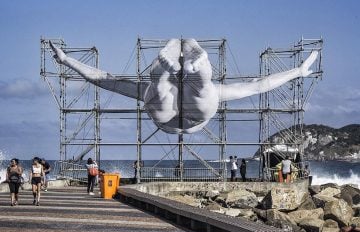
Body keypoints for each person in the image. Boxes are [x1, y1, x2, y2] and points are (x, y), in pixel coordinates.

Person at [50, 40, 318, 134]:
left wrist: (67, 61)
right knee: (204, 90)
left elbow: (101, 78)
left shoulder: (148, 88)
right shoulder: (213, 92)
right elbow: (259, 86)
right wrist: (298, 72)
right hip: (195, 118)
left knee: (157, 89)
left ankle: (169, 73)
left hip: (165, 119)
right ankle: (196, 69)